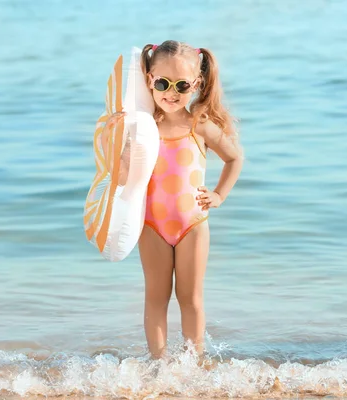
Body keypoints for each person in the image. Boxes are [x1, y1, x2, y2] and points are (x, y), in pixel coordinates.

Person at [106, 40, 242, 358]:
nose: (171, 93)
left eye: (181, 85)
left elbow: (234, 159)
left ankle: (193, 363)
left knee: (190, 298)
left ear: (195, 85)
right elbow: (123, 178)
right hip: (151, 225)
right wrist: (117, 141)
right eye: (163, 83)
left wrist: (220, 194)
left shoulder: (200, 125)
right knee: (156, 297)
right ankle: (160, 363)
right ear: (149, 80)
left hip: (192, 224)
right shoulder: (141, 128)